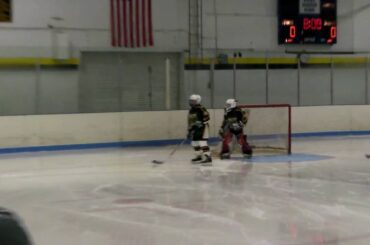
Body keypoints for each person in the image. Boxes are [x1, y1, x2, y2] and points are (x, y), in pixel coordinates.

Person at [187, 94, 212, 165]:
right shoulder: (191, 110)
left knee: (202, 142)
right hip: (195, 129)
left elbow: (207, 117)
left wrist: (199, 123)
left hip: (203, 128)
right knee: (194, 143)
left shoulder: (201, 108)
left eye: (193, 101)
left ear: (198, 101)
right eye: (191, 101)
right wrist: (189, 130)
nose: (192, 102)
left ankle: (208, 157)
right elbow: (190, 121)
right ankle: (199, 156)